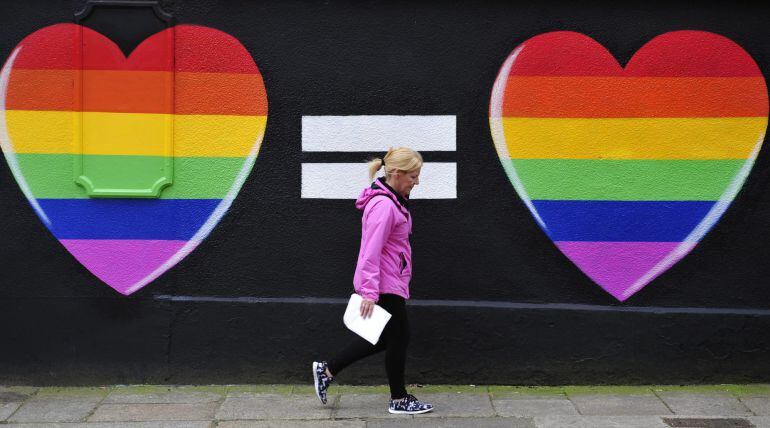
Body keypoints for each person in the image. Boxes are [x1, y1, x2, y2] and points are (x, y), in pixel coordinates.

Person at [312, 147, 434, 415]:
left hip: (391, 278)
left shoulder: (393, 201)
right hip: (384, 283)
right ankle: (399, 399)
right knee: (399, 338)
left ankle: (327, 370)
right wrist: (369, 292)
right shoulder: (384, 206)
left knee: (386, 338)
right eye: (413, 176)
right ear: (398, 174)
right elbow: (370, 250)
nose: (417, 182)